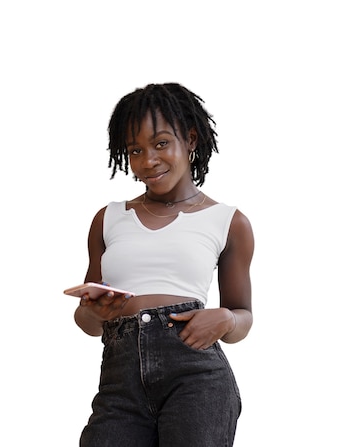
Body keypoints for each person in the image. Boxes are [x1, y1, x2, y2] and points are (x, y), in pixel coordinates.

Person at [74, 82, 255, 446]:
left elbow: (242, 315)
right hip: (119, 383)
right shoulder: (108, 218)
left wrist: (226, 319)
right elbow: (87, 320)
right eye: (135, 150)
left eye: (160, 144)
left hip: (197, 379)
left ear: (190, 140)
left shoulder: (228, 221)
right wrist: (97, 313)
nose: (147, 161)